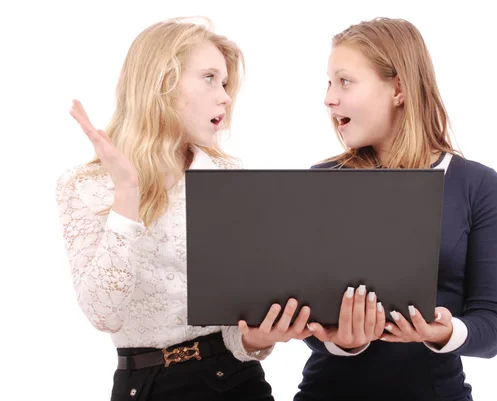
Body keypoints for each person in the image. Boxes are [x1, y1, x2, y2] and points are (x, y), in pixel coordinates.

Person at [55, 16, 311, 401]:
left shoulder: (230, 177)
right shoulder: (85, 186)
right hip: (143, 387)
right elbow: (104, 314)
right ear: (162, 82)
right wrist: (127, 193)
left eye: (225, 83)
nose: (224, 96)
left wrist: (257, 338)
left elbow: (237, 324)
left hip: (235, 381)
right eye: (209, 77)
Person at [296, 17, 497, 400]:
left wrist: (443, 331)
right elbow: (311, 323)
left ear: (398, 88)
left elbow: (492, 327)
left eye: (344, 81)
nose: (329, 97)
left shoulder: (477, 185)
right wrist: (344, 341)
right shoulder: (323, 179)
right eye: (329, 82)